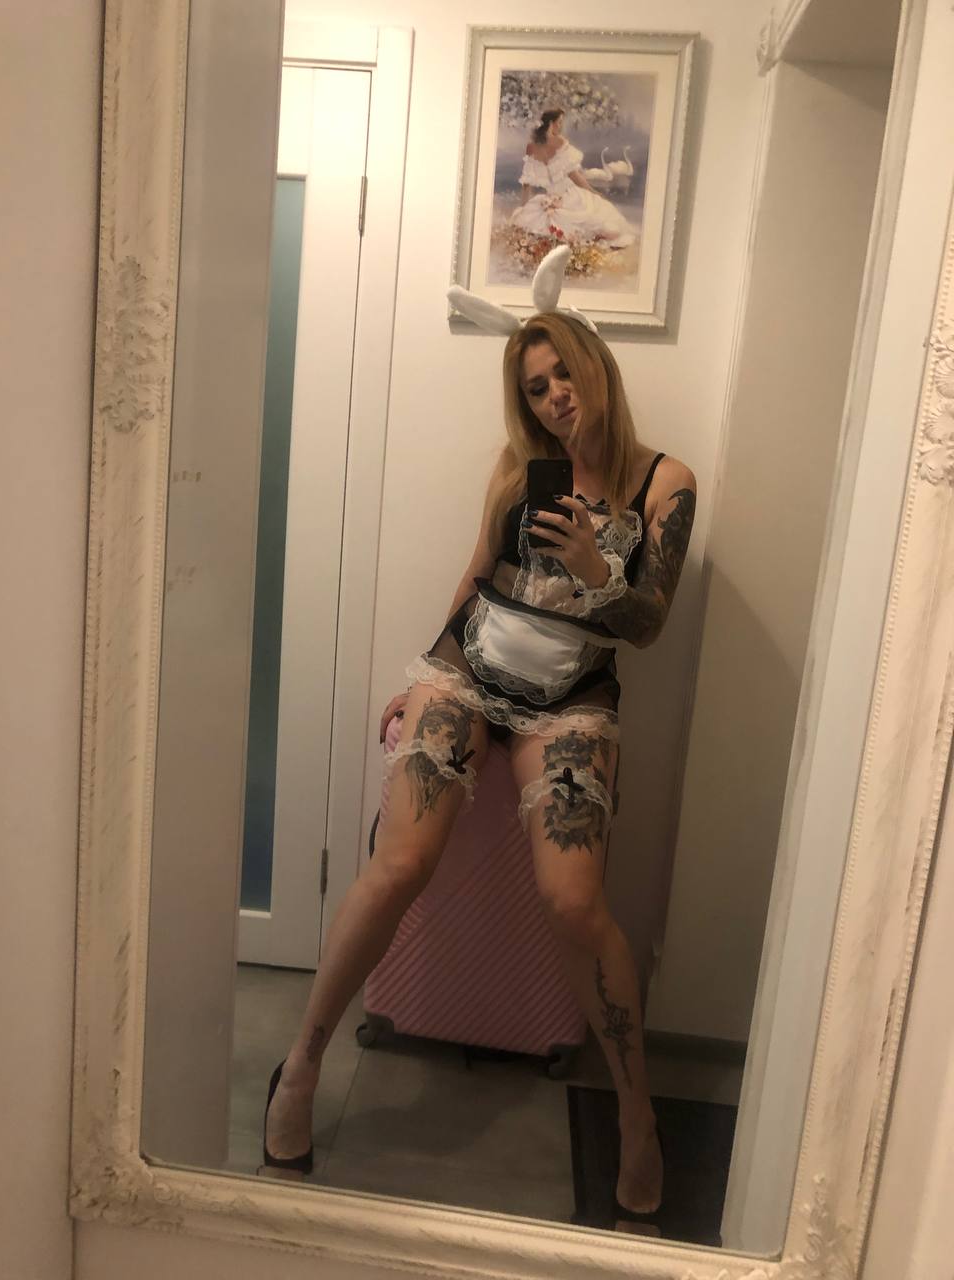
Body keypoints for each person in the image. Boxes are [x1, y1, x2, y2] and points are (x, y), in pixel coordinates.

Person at [262, 252, 696, 1230]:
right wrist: (426, 668)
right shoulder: (517, 469)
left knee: (573, 899)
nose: (554, 397)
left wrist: (597, 569)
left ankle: (636, 1116)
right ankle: (302, 1064)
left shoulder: (665, 482)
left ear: (595, 363)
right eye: (535, 386)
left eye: (563, 373)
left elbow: (649, 624)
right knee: (400, 860)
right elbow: (477, 575)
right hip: (470, 672)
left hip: (572, 697)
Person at [510, 108, 636, 249]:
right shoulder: (560, 142)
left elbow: (527, 183)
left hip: (549, 198)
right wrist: (594, 192)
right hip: (569, 195)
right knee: (598, 215)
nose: (561, 126)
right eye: (559, 122)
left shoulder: (531, 147)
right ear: (551, 123)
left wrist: (523, 207)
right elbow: (574, 176)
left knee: (536, 224)